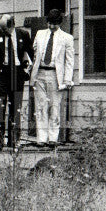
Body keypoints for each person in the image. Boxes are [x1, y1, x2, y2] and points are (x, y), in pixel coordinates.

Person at [0, 14, 33, 150]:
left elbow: (31, 53)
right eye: (1, 28)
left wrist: (27, 69)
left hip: (17, 74)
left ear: (12, 25)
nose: (3, 31)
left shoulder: (23, 34)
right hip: (1, 74)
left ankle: (14, 141)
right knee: (0, 107)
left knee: (16, 107)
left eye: (5, 29)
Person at [29, 9, 75, 146]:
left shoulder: (67, 38)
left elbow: (69, 61)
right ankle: (41, 139)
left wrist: (67, 79)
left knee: (54, 107)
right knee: (41, 106)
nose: (51, 26)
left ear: (59, 23)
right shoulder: (40, 34)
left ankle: (52, 138)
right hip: (40, 74)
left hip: (56, 75)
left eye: (54, 24)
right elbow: (34, 54)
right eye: (49, 23)